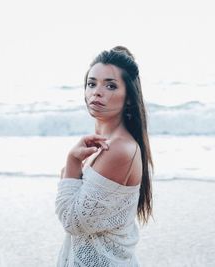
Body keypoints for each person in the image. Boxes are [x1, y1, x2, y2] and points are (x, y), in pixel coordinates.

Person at [55, 46, 153, 267]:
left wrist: (71, 163)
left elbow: (73, 221)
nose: (97, 92)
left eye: (110, 85)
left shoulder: (119, 150)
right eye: (92, 83)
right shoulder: (104, 144)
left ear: (128, 98)